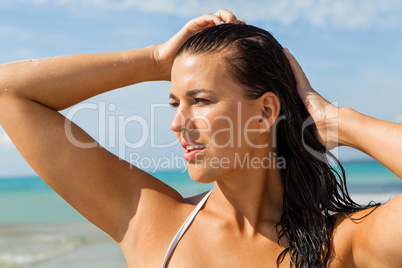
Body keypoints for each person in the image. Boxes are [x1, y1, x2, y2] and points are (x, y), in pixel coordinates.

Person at [0, 9, 401, 267]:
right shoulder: (152, 224)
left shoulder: (343, 244)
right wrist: (155, 60)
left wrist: (338, 123)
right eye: (174, 102)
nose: (177, 123)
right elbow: (8, 91)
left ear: (265, 112)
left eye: (200, 100)